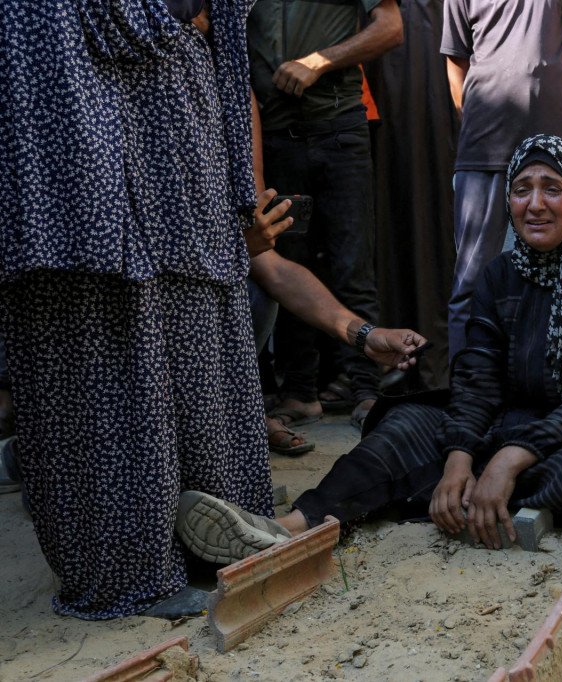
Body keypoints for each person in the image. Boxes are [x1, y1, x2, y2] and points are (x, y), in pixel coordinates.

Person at [0, 0, 421, 621]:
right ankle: (122, 551)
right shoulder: (78, 64)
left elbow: (270, 268)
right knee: (116, 364)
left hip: (187, 238)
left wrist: (363, 334)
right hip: (100, 234)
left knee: (202, 326)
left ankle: (203, 522)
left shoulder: (197, 104)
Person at [175, 135, 562, 557]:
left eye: (552, 189)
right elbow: (477, 382)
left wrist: (508, 457)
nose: (534, 204)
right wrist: (460, 457)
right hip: (515, 423)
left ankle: (470, 488)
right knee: (408, 422)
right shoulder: (501, 273)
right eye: (521, 189)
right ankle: (290, 528)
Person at [247, 0, 403, 430]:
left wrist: (319, 61)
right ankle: (300, 392)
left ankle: (367, 391)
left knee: (352, 261)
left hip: (339, 130)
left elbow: (391, 27)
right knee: (286, 262)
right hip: (274, 139)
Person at [441, 0, 562, 358]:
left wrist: (554, 133)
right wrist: (483, 123)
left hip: (551, 152)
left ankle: (559, 388)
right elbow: (455, 70)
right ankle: (467, 393)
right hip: (483, 147)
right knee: (470, 281)